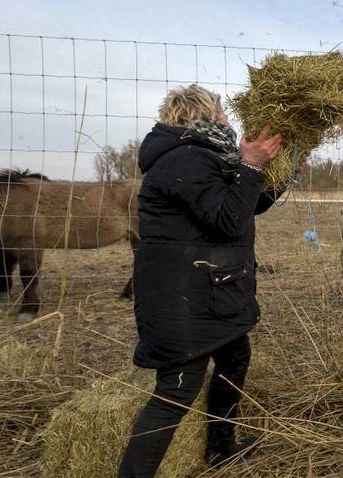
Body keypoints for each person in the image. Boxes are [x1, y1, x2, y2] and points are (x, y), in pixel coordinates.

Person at [118, 84, 283, 477]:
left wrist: (281, 172)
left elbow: (246, 205)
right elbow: (228, 221)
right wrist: (252, 166)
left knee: (234, 356)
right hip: (183, 298)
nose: (229, 119)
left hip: (208, 289)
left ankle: (220, 449)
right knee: (176, 391)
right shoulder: (184, 159)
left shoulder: (203, 156)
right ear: (203, 115)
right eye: (224, 112)